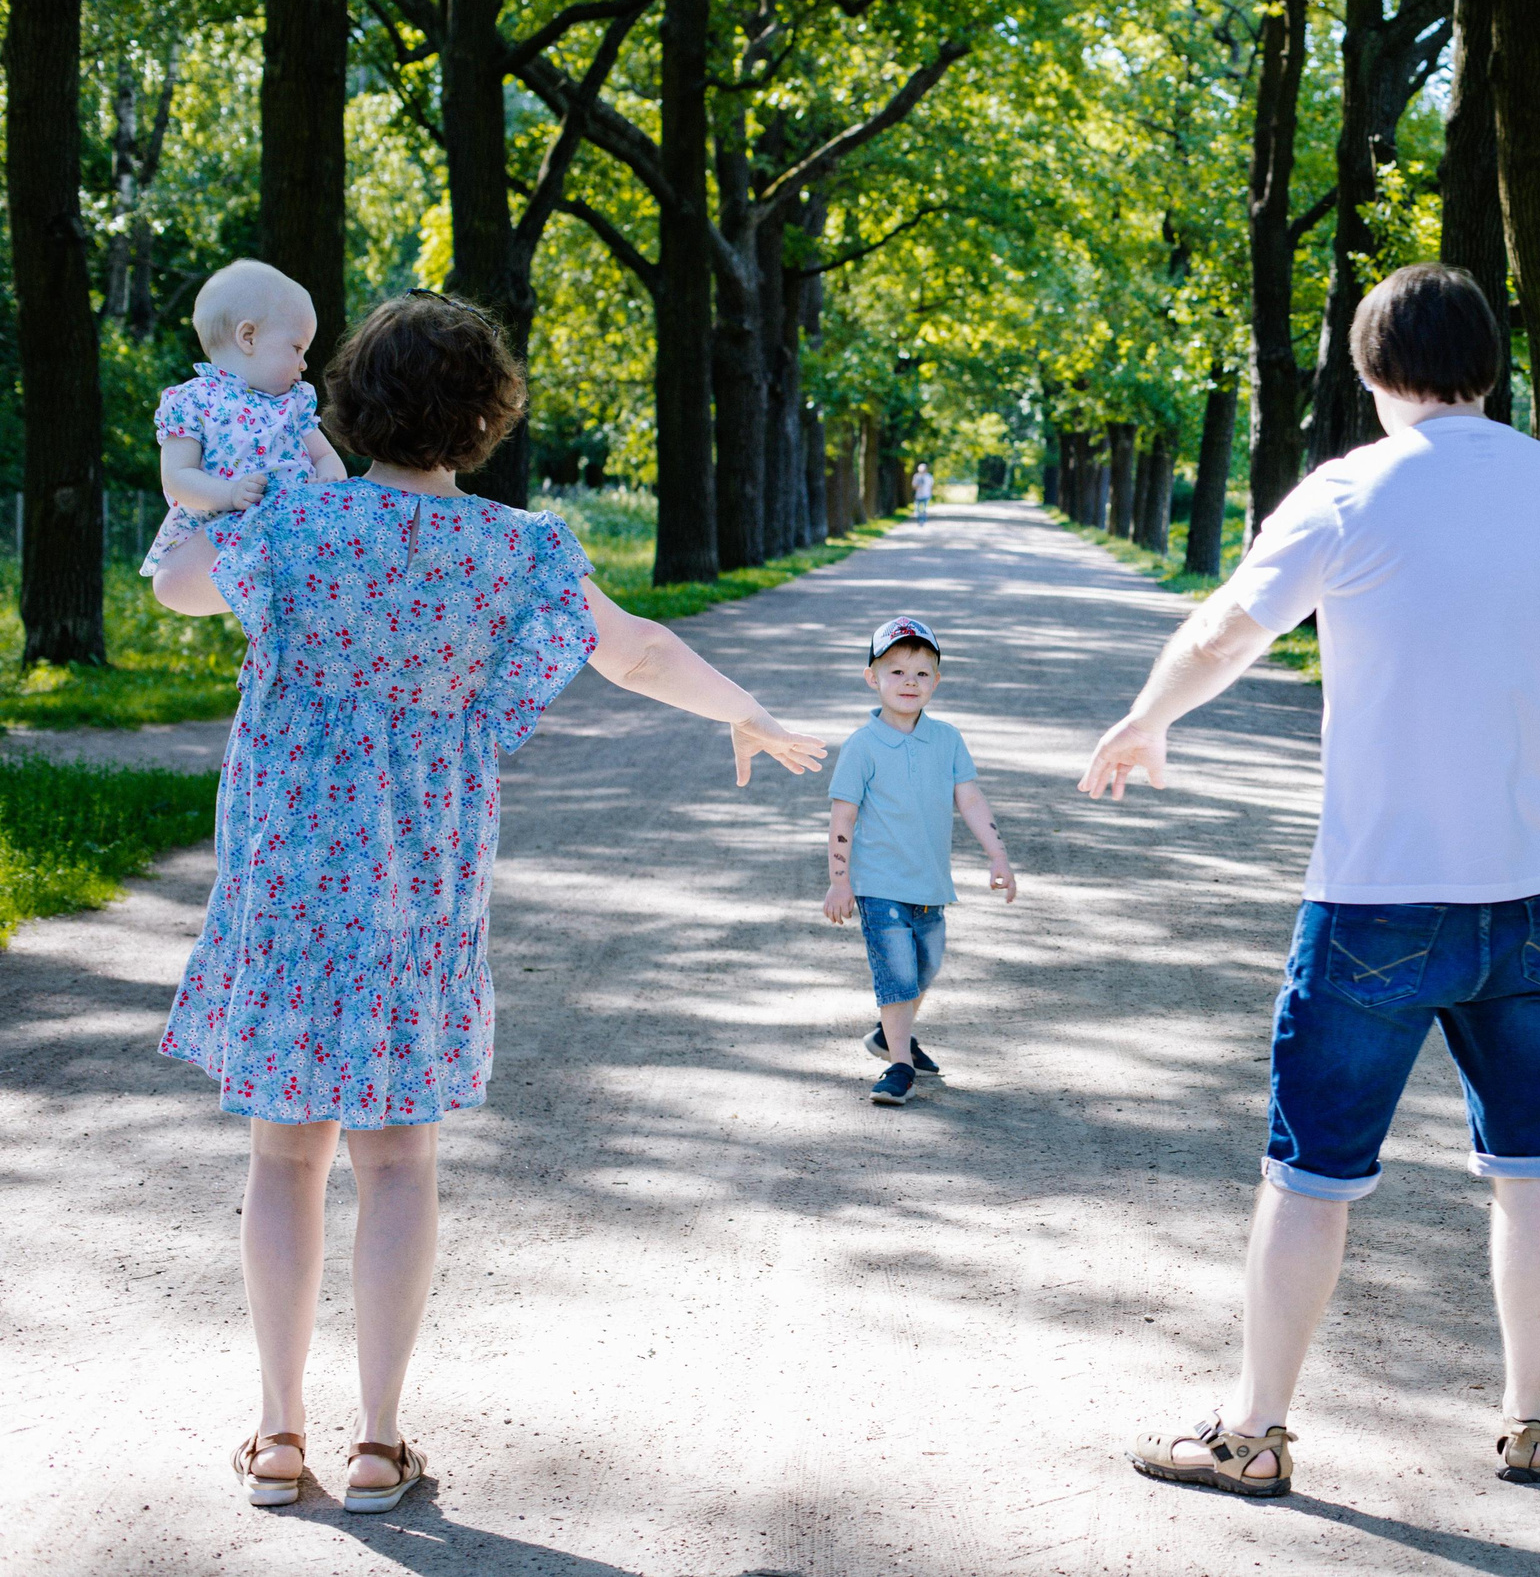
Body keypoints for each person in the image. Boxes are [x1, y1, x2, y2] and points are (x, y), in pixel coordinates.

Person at [150, 291, 828, 1513]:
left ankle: (277, 1435)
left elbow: (181, 587)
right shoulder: (521, 552)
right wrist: (748, 713)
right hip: (420, 889)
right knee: (401, 1159)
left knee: (282, 1154)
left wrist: (229, 468)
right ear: (486, 422)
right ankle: (377, 1443)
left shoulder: (297, 531)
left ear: (348, 406)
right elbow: (639, 654)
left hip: (289, 884)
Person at [1080, 262, 1540, 1498]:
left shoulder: (1348, 492)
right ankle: (1530, 1420)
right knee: (1535, 1163)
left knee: (1312, 1172)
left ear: (1368, 367)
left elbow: (1231, 627)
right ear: (1489, 363)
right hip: (1527, 894)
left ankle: (1252, 1432)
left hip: (1376, 893)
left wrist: (1146, 721)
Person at [820, 615, 1017, 1106]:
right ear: (873, 678)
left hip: (930, 885)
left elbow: (969, 799)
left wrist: (998, 855)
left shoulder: (947, 738)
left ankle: (890, 1036)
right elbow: (843, 816)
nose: (909, 683)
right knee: (897, 975)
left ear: (937, 681)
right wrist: (839, 882)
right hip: (878, 884)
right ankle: (899, 1065)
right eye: (896, 671)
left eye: (922, 673)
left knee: (925, 967)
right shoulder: (862, 745)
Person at [140, 259, 348, 577]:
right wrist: (231, 493)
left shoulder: (292, 403)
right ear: (248, 337)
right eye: (297, 348)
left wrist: (330, 482)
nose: (304, 364)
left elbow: (324, 456)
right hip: (218, 538)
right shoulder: (193, 400)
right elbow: (177, 477)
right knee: (173, 581)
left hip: (293, 530)